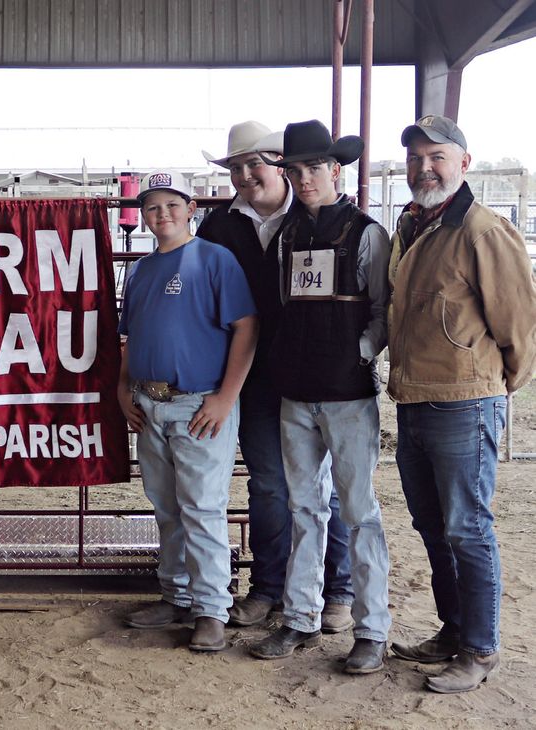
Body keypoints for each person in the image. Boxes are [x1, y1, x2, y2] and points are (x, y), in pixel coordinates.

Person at [387, 115, 536, 693]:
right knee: (433, 526)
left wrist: (494, 385)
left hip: (464, 403)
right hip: (415, 399)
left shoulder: (481, 230)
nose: (425, 167)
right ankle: (453, 631)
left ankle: (480, 649)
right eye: (416, 158)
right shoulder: (414, 226)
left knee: (467, 527)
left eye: (438, 157)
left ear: (464, 163)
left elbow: (518, 325)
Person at [198, 121, 355, 631]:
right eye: (237, 168)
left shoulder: (315, 217)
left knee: (322, 486)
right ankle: (270, 588)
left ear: (280, 166)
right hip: (257, 374)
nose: (246, 175)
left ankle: (337, 590)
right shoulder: (219, 227)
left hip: (316, 371)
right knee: (268, 484)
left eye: (255, 164)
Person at [247, 120, 391, 675]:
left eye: (313, 168)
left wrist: (356, 352)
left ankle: (372, 628)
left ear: (336, 169)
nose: (303, 179)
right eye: (295, 170)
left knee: (358, 512)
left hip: (348, 395)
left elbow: (382, 309)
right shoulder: (289, 235)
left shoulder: (365, 233)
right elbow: (286, 305)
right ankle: (301, 617)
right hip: (297, 393)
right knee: (304, 505)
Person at [118, 170, 258, 652]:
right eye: (153, 207)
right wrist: (123, 389)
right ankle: (175, 595)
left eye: (172, 205)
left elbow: (246, 327)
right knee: (167, 506)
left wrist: (225, 396)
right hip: (150, 401)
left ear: (190, 209)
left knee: (200, 507)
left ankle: (211, 609)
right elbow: (129, 337)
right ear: (143, 215)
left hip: (198, 403)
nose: (163, 215)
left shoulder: (214, 260)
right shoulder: (137, 271)